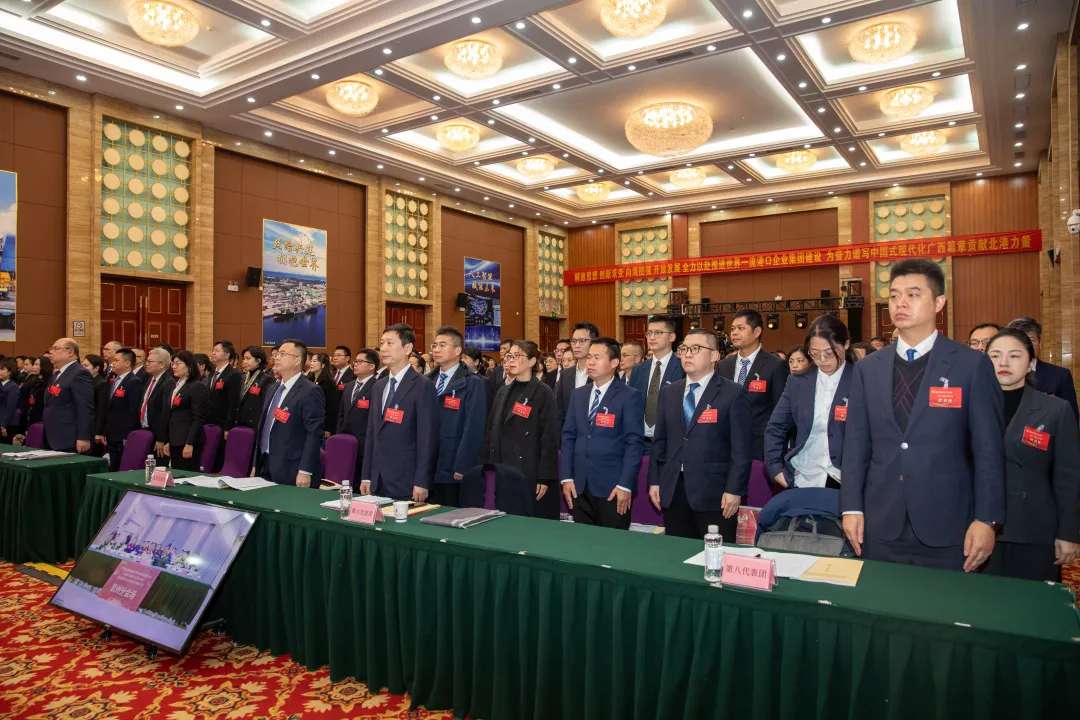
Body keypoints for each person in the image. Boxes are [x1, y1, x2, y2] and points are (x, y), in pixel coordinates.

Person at [841, 259, 1004, 572]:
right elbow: (856, 445)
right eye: (894, 295)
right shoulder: (868, 369)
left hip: (948, 523)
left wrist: (987, 519)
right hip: (880, 521)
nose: (900, 303)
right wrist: (851, 507)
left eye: (913, 295)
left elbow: (989, 450)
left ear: (939, 303)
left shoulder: (970, 365)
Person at [984, 329, 1080, 581]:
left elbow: (1068, 476)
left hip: (1033, 527)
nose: (1004, 363)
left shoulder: (1055, 410)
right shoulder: (970, 405)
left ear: (1030, 364)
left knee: (1031, 601)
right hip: (979, 525)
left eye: (1014, 356)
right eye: (995, 356)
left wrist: (1069, 532)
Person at [649, 329, 751, 541]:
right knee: (679, 553)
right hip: (674, 489)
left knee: (715, 554)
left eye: (695, 349)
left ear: (714, 355)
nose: (687, 354)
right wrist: (655, 481)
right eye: (684, 349)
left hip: (715, 494)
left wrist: (734, 490)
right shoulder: (669, 392)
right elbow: (660, 441)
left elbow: (741, 449)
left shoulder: (732, 393)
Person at [560, 337, 644, 529]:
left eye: (597, 358)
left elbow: (634, 443)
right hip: (579, 486)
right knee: (583, 542)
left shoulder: (629, 396)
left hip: (613, 488)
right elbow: (568, 437)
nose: (590, 362)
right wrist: (566, 477)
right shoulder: (578, 394)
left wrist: (625, 484)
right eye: (589, 357)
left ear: (614, 363)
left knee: (612, 544)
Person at [765, 315, 855, 490]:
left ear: (845, 344)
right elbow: (776, 426)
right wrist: (775, 468)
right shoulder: (798, 382)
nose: (822, 360)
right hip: (803, 476)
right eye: (814, 353)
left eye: (829, 353)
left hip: (846, 478)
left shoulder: (861, 379)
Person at [479, 340, 560, 517]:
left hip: (530, 469)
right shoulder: (503, 391)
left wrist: (545, 477)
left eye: (517, 356)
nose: (511, 360)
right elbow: (491, 429)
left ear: (532, 361)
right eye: (509, 356)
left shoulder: (543, 392)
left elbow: (549, 437)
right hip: (503, 467)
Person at [360, 324, 439, 502]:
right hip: (378, 478)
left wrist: (422, 480)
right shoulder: (378, 386)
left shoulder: (422, 386)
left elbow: (427, 438)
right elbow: (372, 433)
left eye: (390, 343)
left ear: (407, 348)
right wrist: (367, 475)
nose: (383, 348)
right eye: (382, 343)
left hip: (406, 479)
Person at [717, 310, 789, 468]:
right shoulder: (723, 365)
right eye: (732, 329)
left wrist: (775, 453)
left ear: (757, 332)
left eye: (741, 328)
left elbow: (780, 412)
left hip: (758, 447)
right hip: (725, 446)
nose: (734, 333)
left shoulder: (775, 365)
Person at [427, 326, 487, 506]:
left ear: (457, 350)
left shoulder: (473, 383)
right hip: (429, 463)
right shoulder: (427, 381)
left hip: (453, 463)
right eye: (435, 345)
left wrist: (463, 464)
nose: (436, 349)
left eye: (442, 345)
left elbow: (474, 427)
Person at [254, 340, 324, 487]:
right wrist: (255, 463)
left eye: (282, 354)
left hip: (292, 467)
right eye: (277, 354)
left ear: (297, 360)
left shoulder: (310, 391)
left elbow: (314, 433)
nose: (277, 357)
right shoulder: (272, 388)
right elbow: (265, 427)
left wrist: (305, 470)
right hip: (265, 462)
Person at [1006, 316, 1078, 422]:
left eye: (1031, 340)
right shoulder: (1000, 374)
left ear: (1040, 344)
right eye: (1019, 340)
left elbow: (1071, 419)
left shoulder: (1061, 376)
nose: (1026, 345)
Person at [630, 316, 685, 449]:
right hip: (641, 443)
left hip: (670, 442)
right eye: (649, 333)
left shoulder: (683, 368)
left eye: (658, 333)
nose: (652, 337)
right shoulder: (638, 370)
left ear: (672, 337)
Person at [43, 338, 94, 453]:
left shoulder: (79, 373)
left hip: (69, 438)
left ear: (70, 352)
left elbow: (84, 407)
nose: (51, 352)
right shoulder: (58, 373)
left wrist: (83, 437)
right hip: (53, 435)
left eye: (55, 348)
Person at [97, 348, 144, 471]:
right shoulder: (114, 380)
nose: (113, 363)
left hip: (123, 435)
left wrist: (127, 436)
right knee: (112, 467)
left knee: (120, 467)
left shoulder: (134, 382)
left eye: (116, 360)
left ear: (127, 363)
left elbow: (133, 411)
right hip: (111, 433)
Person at [160, 350, 208, 471]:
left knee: (187, 475)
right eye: (173, 364)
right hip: (175, 439)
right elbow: (171, 414)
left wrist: (190, 443)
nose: (174, 366)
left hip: (188, 440)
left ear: (189, 366)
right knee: (176, 474)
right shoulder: (175, 385)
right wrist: (168, 440)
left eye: (178, 363)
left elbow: (198, 418)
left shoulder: (196, 386)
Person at [337, 349, 379, 479]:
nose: (355, 364)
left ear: (371, 366)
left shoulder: (378, 387)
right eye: (355, 361)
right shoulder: (348, 386)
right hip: (346, 443)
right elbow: (341, 415)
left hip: (365, 445)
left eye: (360, 362)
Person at [556, 322, 599, 423]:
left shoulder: (601, 374)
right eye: (574, 341)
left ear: (594, 343)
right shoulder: (565, 375)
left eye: (582, 341)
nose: (577, 345)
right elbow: (559, 410)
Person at [139, 347, 174, 458]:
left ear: (162, 365)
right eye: (147, 361)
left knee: (157, 465)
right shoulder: (150, 379)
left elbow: (165, 412)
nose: (146, 364)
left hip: (158, 434)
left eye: (150, 361)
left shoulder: (168, 382)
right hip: (145, 429)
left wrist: (161, 438)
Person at [233, 346, 274, 431]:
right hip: (239, 421)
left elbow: (264, 406)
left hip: (254, 425)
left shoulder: (267, 380)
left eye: (248, 358)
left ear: (258, 360)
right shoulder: (242, 377)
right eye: (244, 358)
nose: (244, 361)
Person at [206, 340, 242, 433]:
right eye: (213, 350)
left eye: (217, 351)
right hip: (209, 422)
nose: (213, 353)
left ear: (227, 355)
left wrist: (228, 427)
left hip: (222, 424)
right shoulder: (212, 373)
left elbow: (233, 403)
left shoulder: (233, 374)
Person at [306, 352, 337, 438]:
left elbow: (332, 408)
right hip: (308, 420)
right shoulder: (308, 380)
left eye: (315, 361)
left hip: (321, 424)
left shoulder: (329, 384)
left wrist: (328, 428)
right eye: (311, 361)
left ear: (323, 365)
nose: (311, 363)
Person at [325, 345, 355, 435]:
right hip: (330, 419)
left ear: (347, 358)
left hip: (343, 419)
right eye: (334, 355)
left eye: (338, 355)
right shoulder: (331, 374)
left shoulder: (353, 375)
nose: (335, 358)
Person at [84, 354, 109, 451]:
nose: (83, 368)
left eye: (86, 365)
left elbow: (101, 410)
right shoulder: (86, 381)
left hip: (94, 428)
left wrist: (98, 432)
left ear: (96, 368)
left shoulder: (101, 383)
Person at [0, 358, 20, 439]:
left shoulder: (13, 387)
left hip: (8, 423)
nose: (0, 371)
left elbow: (10, 408)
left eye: (2, 369)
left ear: (10, 372)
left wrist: (3, 425)